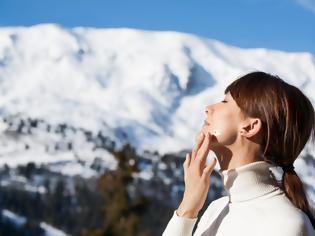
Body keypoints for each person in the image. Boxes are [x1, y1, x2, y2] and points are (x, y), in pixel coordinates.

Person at [162, 71, 315, 236]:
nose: (208, 108)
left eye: (225, 101)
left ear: (250, 127)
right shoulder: (216, 209)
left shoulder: (286, 225)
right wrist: (187, 207)